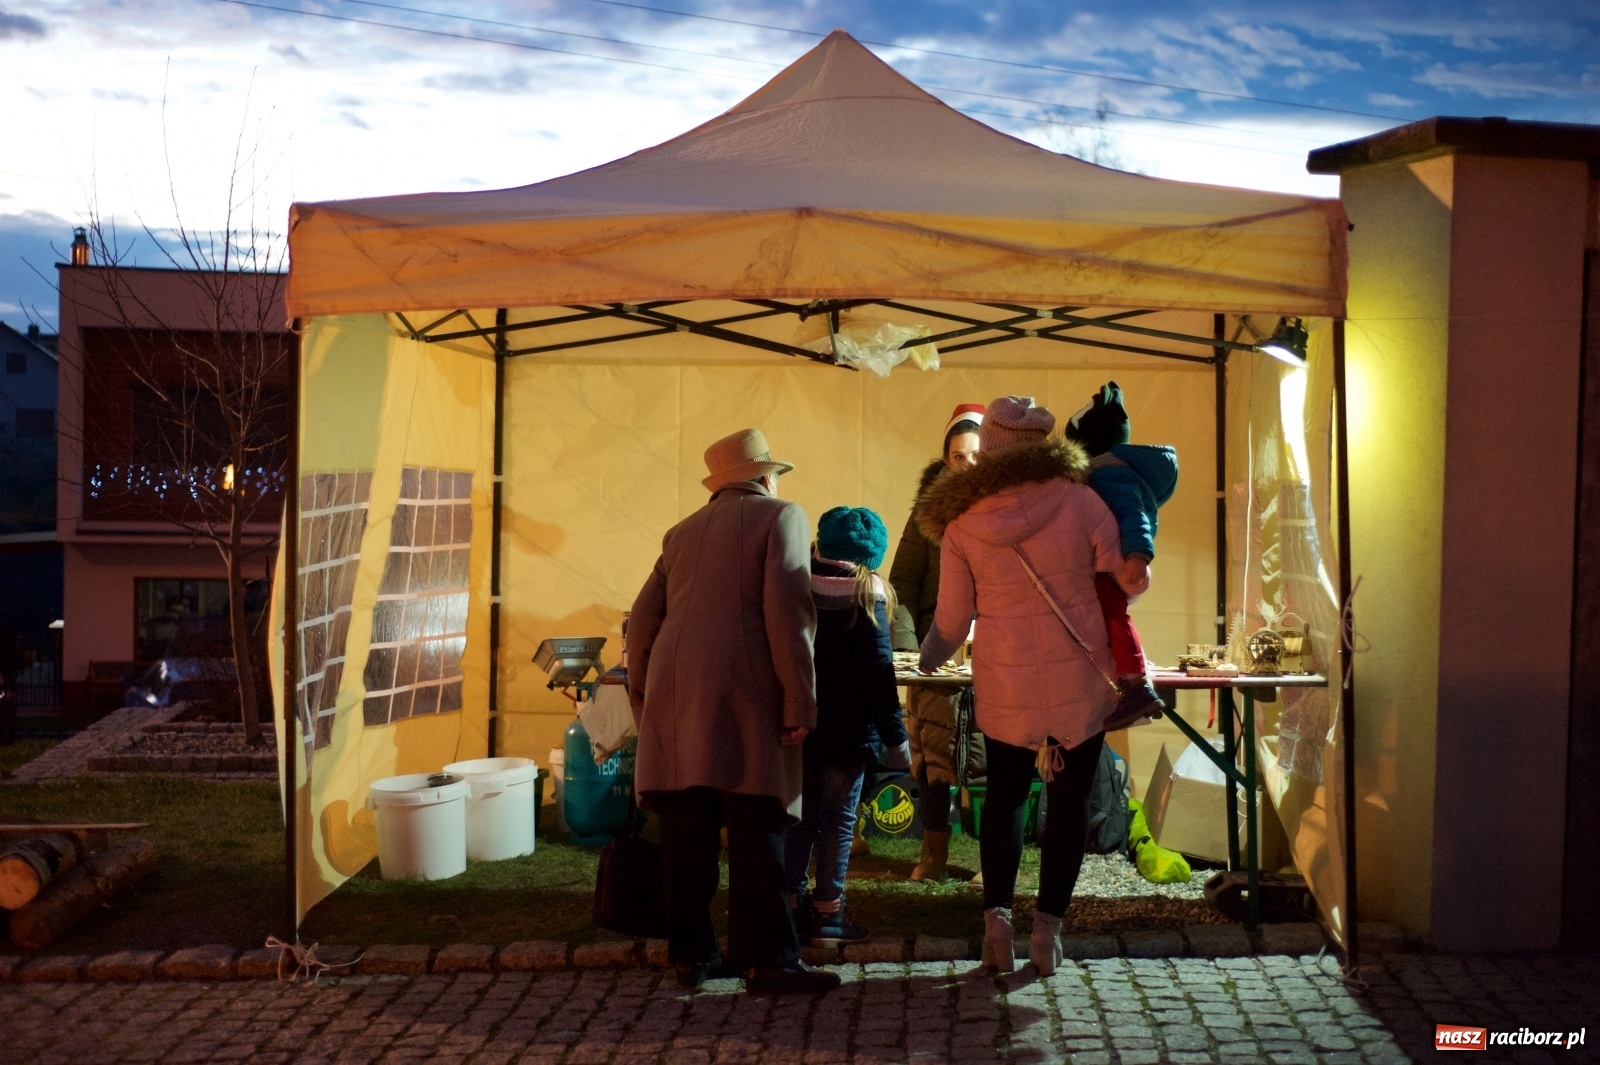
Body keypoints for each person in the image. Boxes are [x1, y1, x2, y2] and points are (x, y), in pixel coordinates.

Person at [916, 396, 1132, 976]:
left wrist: (928, 658)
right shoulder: (1083, 501)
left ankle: (996, 928)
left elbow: (952, 623)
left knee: (1005, 802)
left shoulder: (963, 522)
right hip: (1078, 684)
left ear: (989, 448)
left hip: (1005, 685)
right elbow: (1126, 580)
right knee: (1068, 806)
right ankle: (1048, 933)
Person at [628, 428, 840, 995]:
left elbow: (642, 622)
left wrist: (645, 701)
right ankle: (768, 961)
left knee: (687, 834)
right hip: (744, 696)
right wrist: (799, 698)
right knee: (755, 830)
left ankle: (691, 955)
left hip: (676, 698)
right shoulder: (781, 516)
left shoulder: (680, 533)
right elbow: (789, 612)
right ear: (766, 476)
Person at [784, 506, 911, 946]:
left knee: (799, 820)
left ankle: (791, 906)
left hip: (803, 727)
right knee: (839, 822)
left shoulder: (796, 584)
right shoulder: (869, 593)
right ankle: (829, 915)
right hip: (850, 734)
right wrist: (897, 739)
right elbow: (879, 676)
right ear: (871, 556)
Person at [888, 402, 983, 883]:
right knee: (930, 755)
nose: (967, 464)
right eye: (958, 456)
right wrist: (908, 652)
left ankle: (992, 858)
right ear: (946, 458)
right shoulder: (927, 514)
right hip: (933, 651)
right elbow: (901, 582)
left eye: (975, 456)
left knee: (990, 755)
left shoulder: (1005, 510)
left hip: (992, 650)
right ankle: (934, 854)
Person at [1064, 381, 1179, 728]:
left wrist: (1137, 555)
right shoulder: (1109, 470)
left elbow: (1133, 516)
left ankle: (1135, 682)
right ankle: (1127, 677)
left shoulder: (1110, 472)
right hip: (1111, 558)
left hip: (1114, 560)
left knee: (1113, 614)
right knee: (1108, 616)